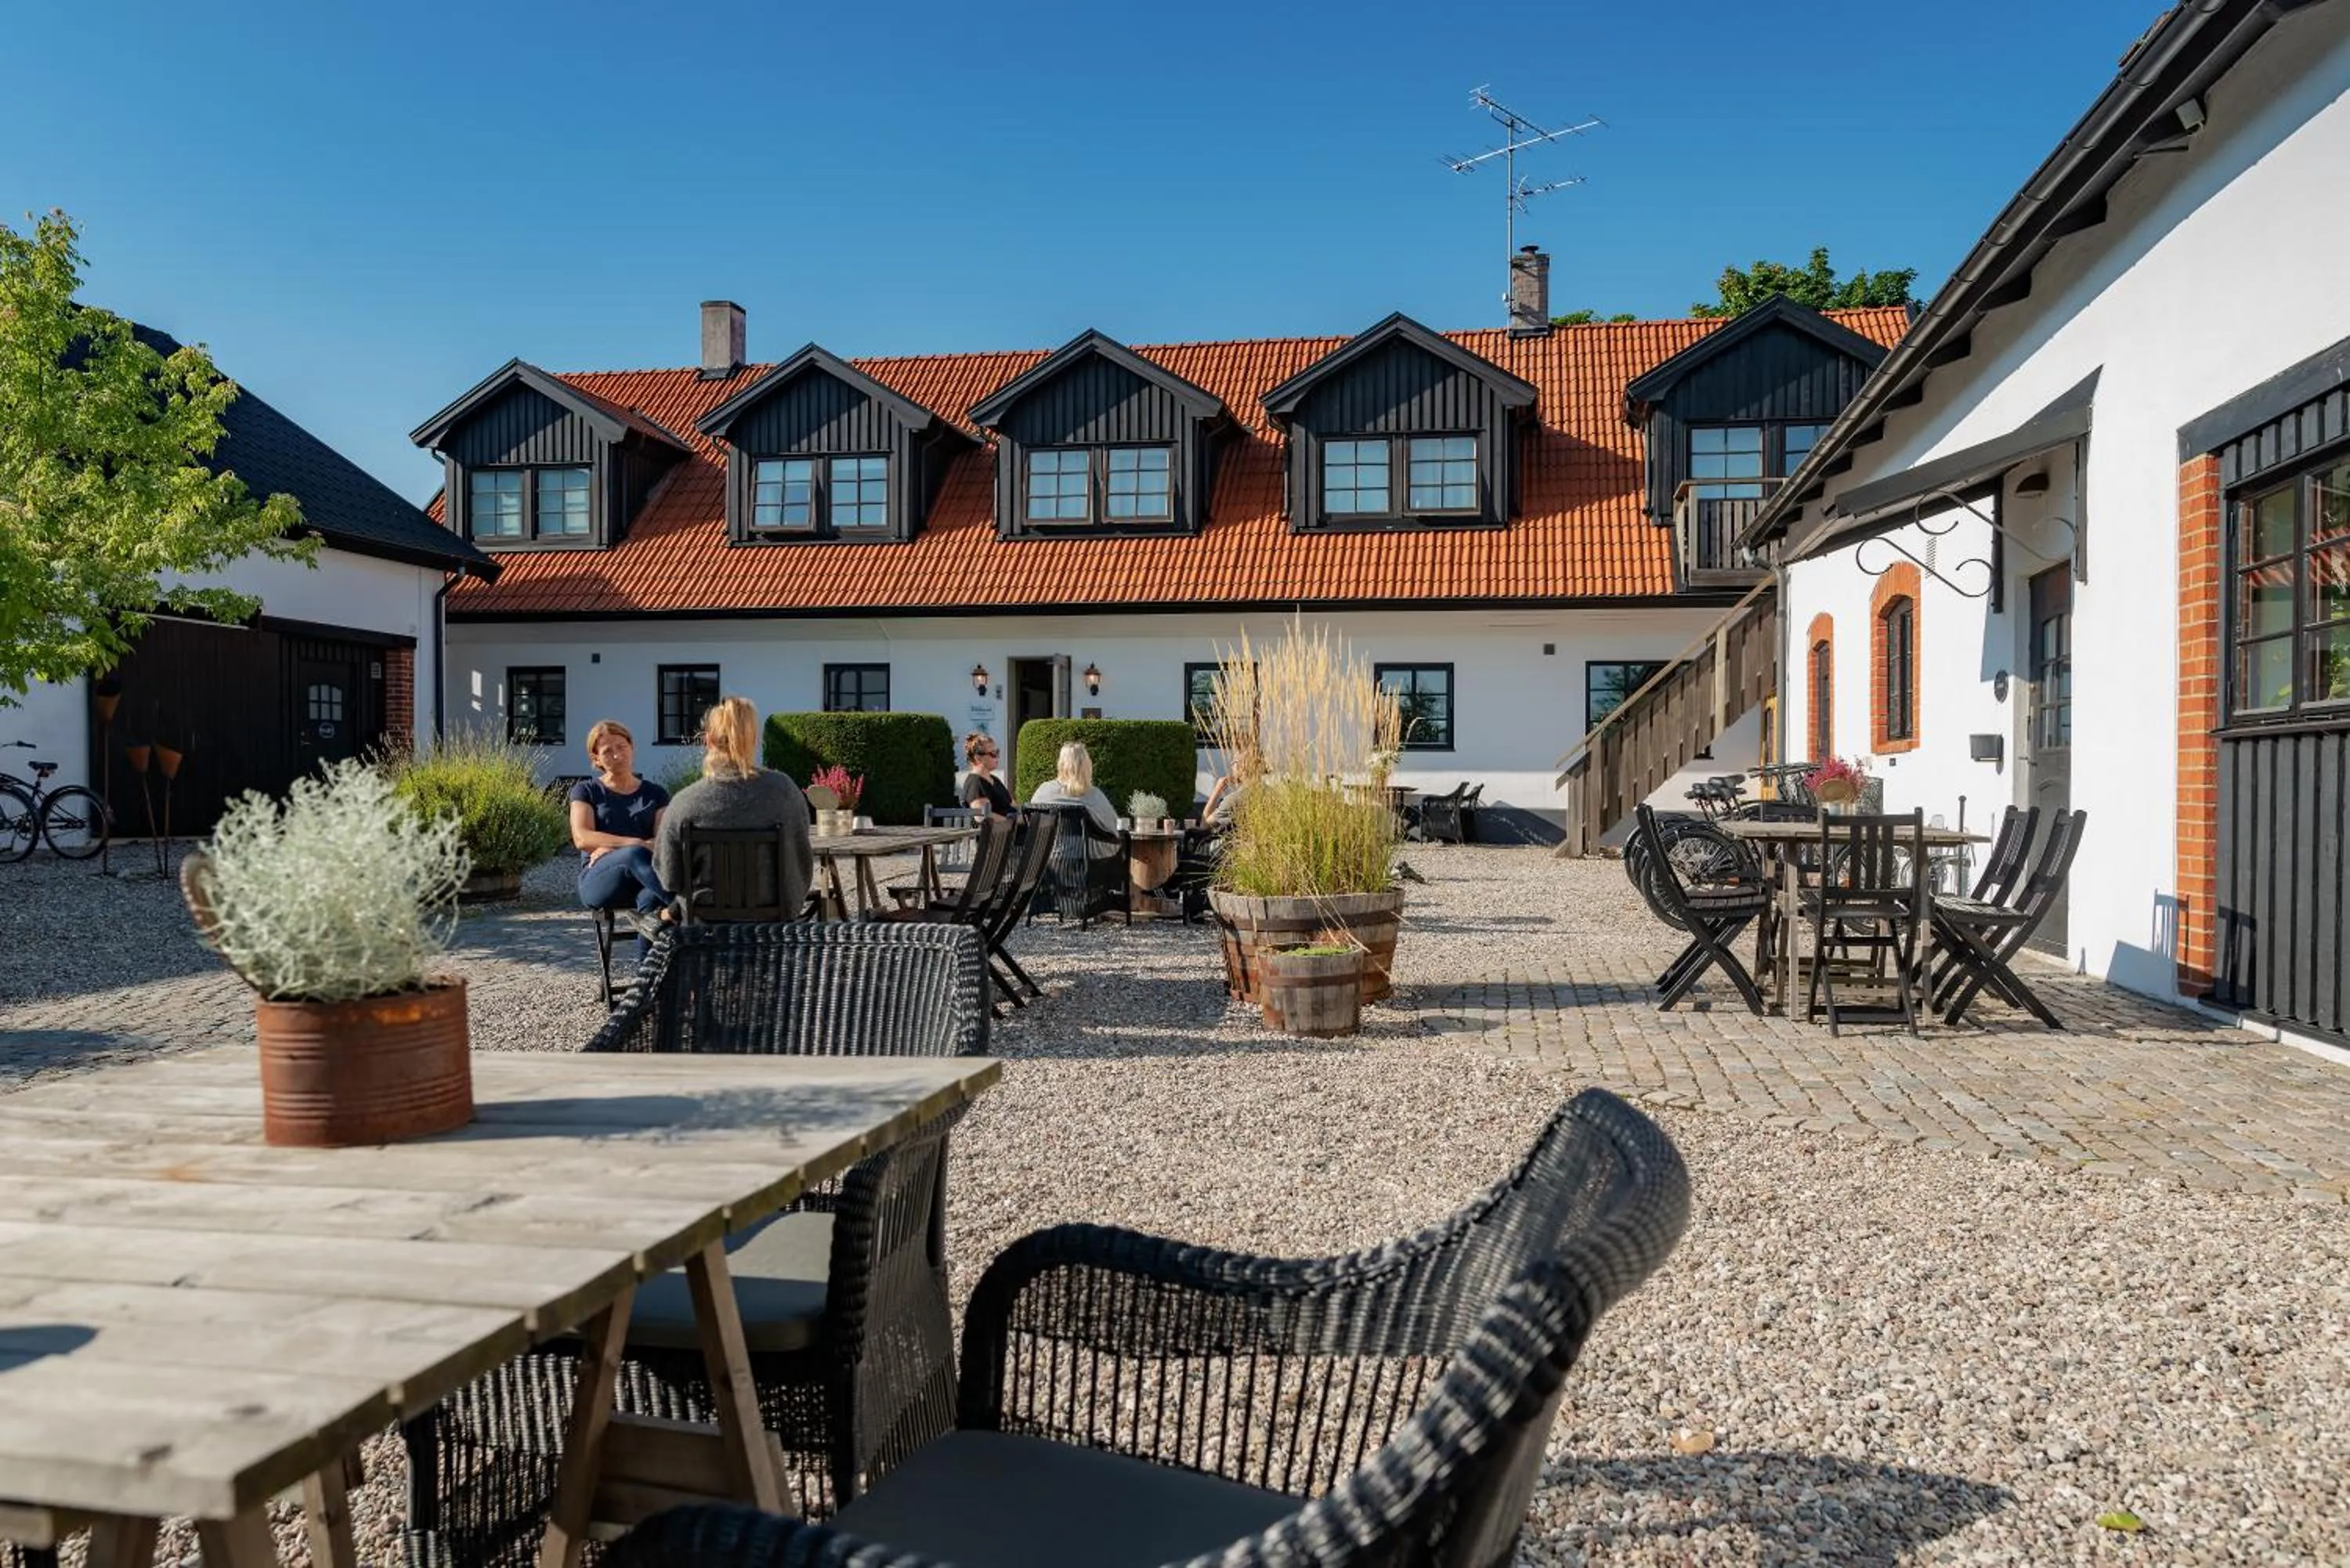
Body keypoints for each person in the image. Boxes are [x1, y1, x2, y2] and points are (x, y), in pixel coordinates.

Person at [654, 695, 814, 921]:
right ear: (753, 739)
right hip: (773, 921)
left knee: (663, 915)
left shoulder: (685, 803)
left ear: (708, 740)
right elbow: (801, 859)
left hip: (705, 925)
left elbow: (669, 878)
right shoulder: (784, 791)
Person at [570, 721, 671, 942]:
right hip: (601, 879)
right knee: (633, 854)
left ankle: (647, 966)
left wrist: (610, 847)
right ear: (596, 759)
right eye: (607, 751)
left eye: (621, 747)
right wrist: (635, 844)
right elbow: (582, 837)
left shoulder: (656, 794)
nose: (617, 755)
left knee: (651, 899)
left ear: (632, 748)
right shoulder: (586, 791)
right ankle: (687, 908)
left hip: (646, 879)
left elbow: (663, 841)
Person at [1028, 740, 1120, 855]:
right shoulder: (1094, 796)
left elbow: (1032, 823)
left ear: (1061, 764)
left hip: (1047, 859)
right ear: (1087, 766)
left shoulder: (1043, 791)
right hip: (1087, 860)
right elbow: (1114, 827)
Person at [959, 732, 1013, 815]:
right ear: (978, 758)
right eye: (993, 754)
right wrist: (1013, 820)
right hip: (1003, 824)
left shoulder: (994, 780)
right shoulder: (976, 784)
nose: (997, 757)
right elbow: (983, 817)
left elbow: (1013, 805)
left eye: (997, 752)